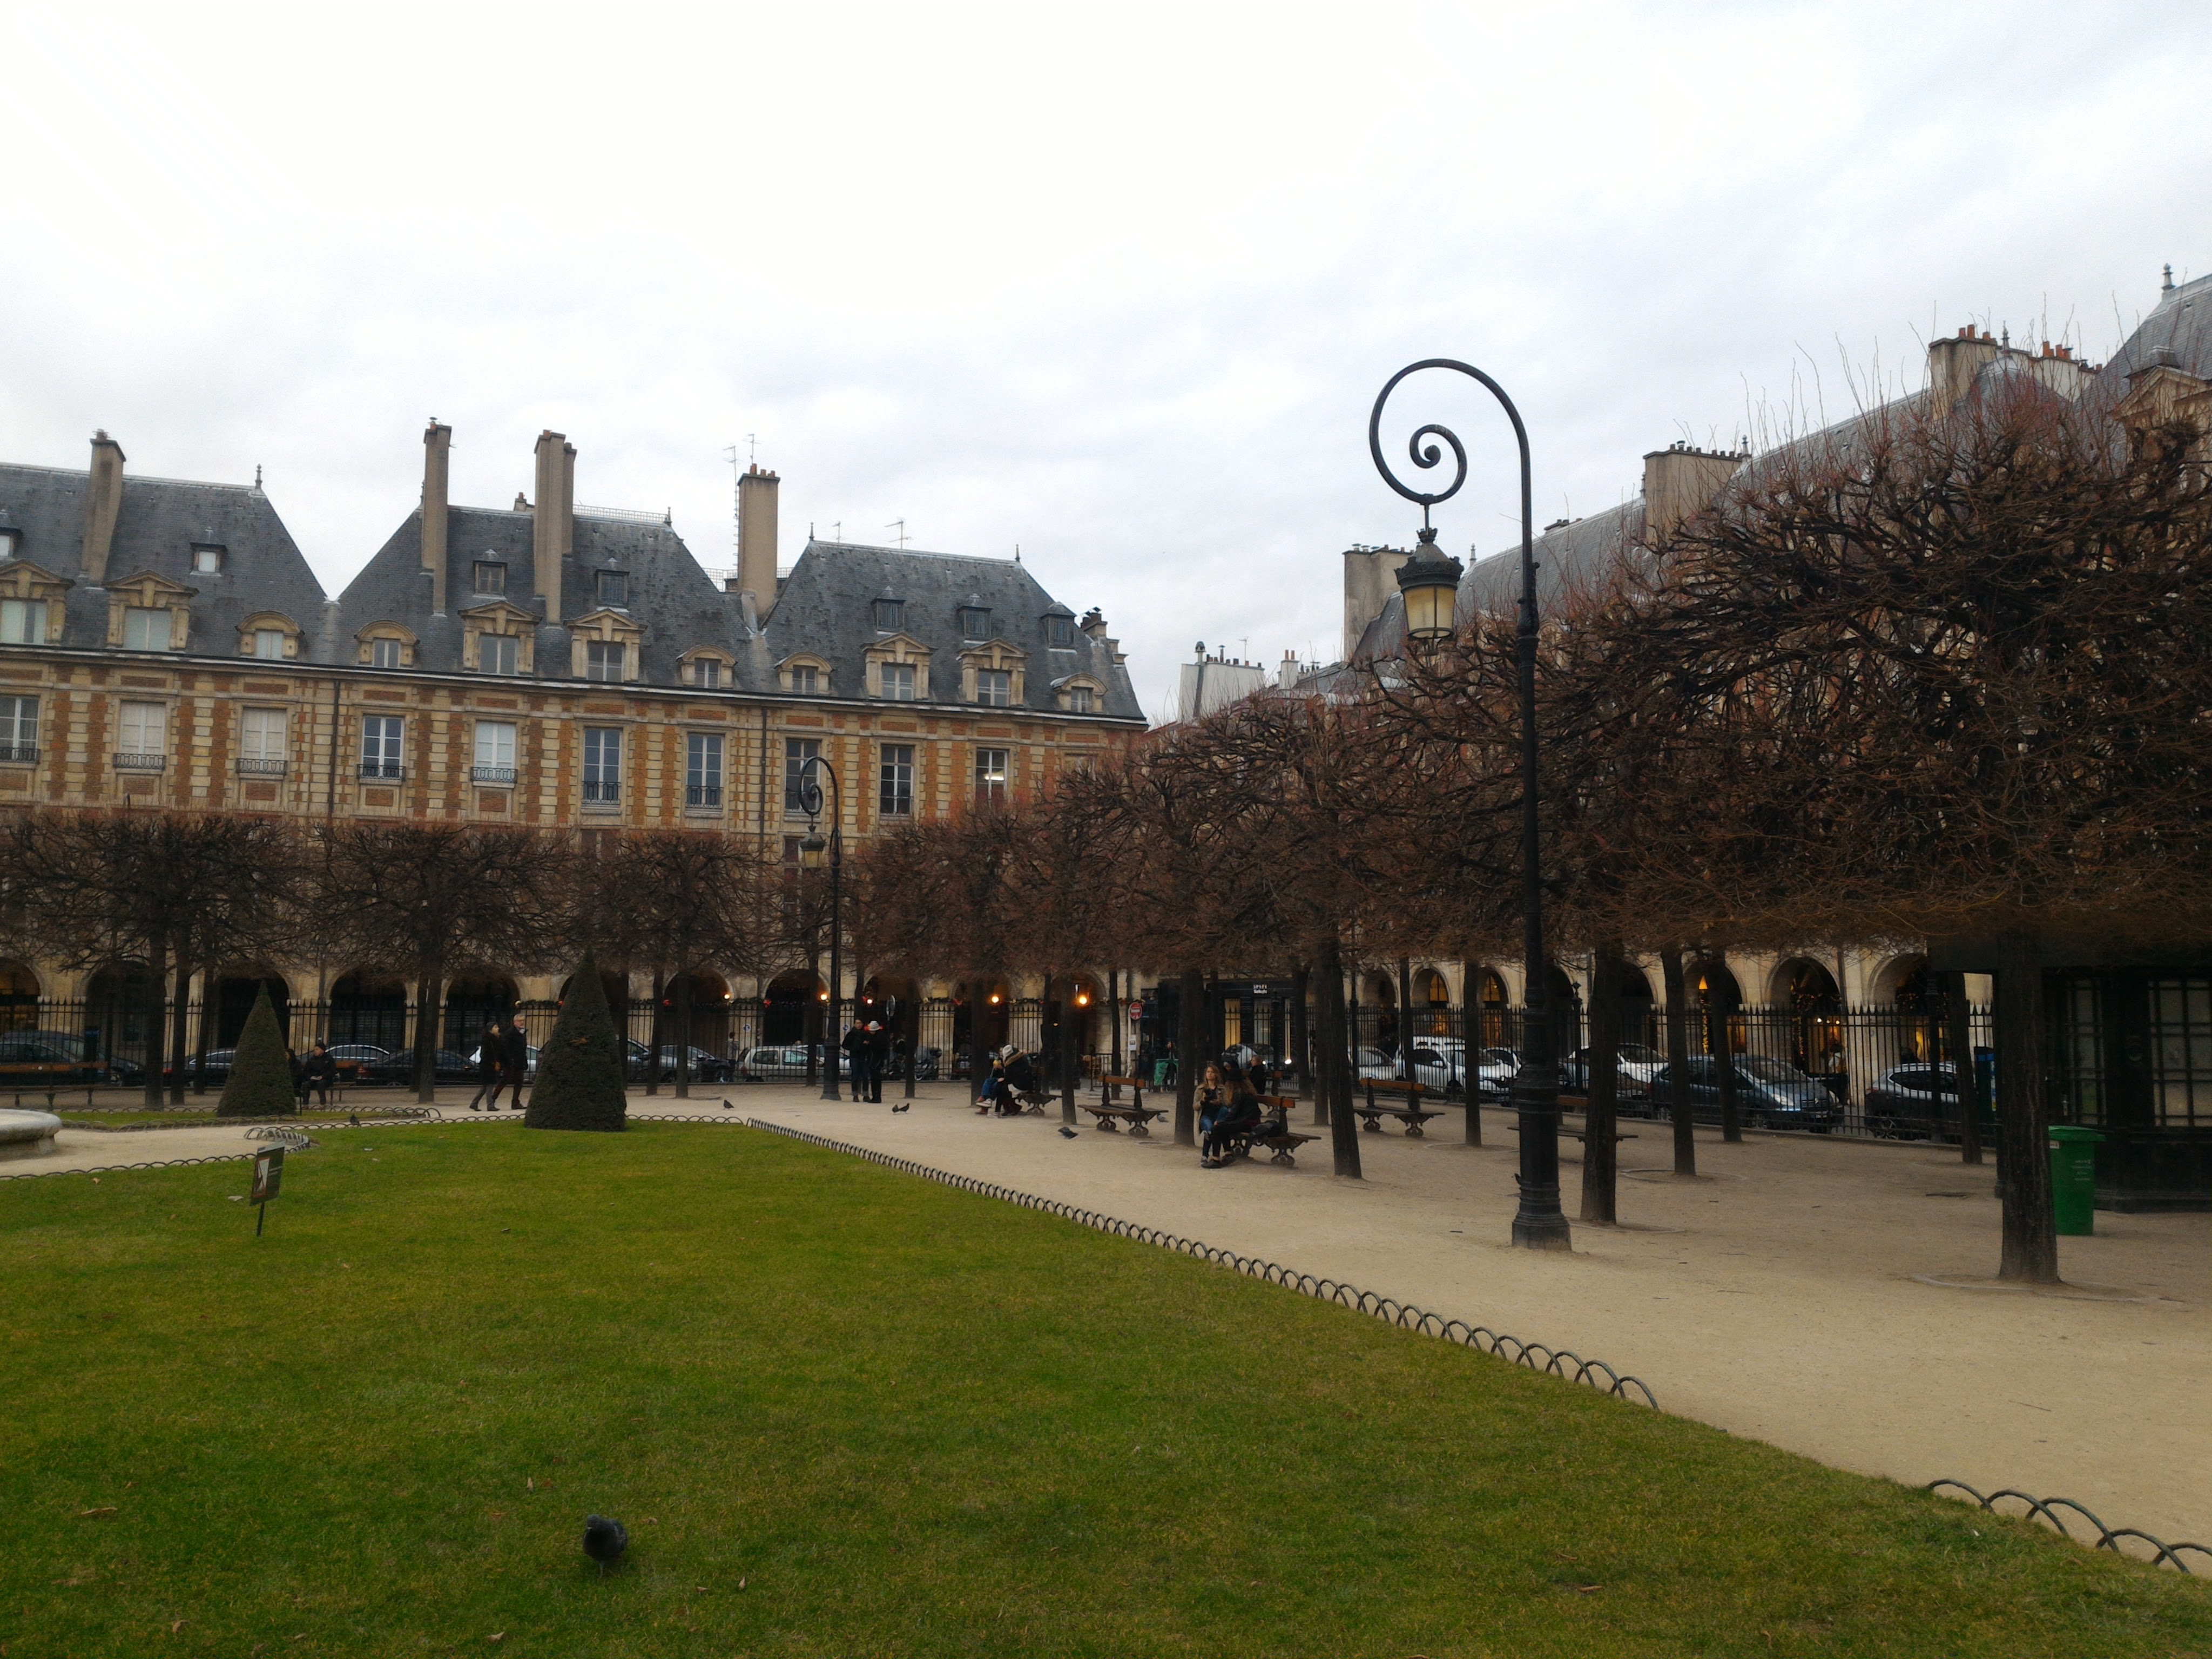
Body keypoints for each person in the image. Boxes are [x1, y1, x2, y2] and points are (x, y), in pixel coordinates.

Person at [1202, 1071, 1264, 1168]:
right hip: (1248, 1121)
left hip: (1247, 1123)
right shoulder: (1246, 1092)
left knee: (1217, 1128)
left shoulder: (1240, 1094)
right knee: (1222, 1127)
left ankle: (1216, 1159)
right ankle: (1228, 1153)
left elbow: (1233, 1113)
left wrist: (1222, 1121)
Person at [467, 1020, 505, 1112]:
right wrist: (493, 1063)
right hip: (488, 1066)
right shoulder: (488, 1040)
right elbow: (485, 1054)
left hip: (490, 1065)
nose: (498, 1029)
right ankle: (490, 1105)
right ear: (490, 1030)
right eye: (495, 1027)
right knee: (490, 1085)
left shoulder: (496, 1039)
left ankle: (474, 1103)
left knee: (486, 1086)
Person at [503, 1014, 531, 1110]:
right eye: (520, 1021)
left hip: (520, 1061)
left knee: (519, 1082)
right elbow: (506, 1048)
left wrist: (525, 1061)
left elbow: (523, 1049)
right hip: (512, 1062)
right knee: (505, 1081)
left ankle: (515, 1102)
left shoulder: (522, 1033)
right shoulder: (510, 1033)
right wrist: (510, 1060)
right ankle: (492, 1100)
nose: (522, 1022)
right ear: (514, 1022)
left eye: (523, 1020)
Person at [1195, 1063, 1228, 1143]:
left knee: (1224, 1110)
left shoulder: (1222, 1089)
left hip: (1218, 1114)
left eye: (1212, 1072)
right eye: (1208, 1072)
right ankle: (1206, 1153)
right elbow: (1195, 1106)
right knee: (1209, 1128)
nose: (1210, 1074)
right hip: (1206, 1115)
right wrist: (1202, 1102)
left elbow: (1228, 1103)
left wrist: (1219, 1102)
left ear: (1216, 1074)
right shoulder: (1200, 1089)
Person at [301, 1041, 338, 1108]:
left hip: (326, 1080)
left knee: (321, 1084)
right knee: (306, 1085)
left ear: (322, 1050)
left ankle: (323, 1104)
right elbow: (307, 1070)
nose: (315, 1051)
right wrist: (310, 1076)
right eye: (314, 1050)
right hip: (314, 1079)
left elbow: (332, 1071)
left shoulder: (329, 1059)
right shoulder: (312, 1059)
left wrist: (323, 1076)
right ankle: (305, 1104)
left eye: (317, 1050)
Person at [866, 1023, 891, 1103]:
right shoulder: (874, 1036)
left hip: (877, 1060)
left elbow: (881, 1048)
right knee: (874, 1079)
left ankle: (877, 1097)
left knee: (876, 1079)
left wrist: (870, 1044)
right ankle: (875, 1097)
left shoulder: (880, 1037)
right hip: (874, 1060)